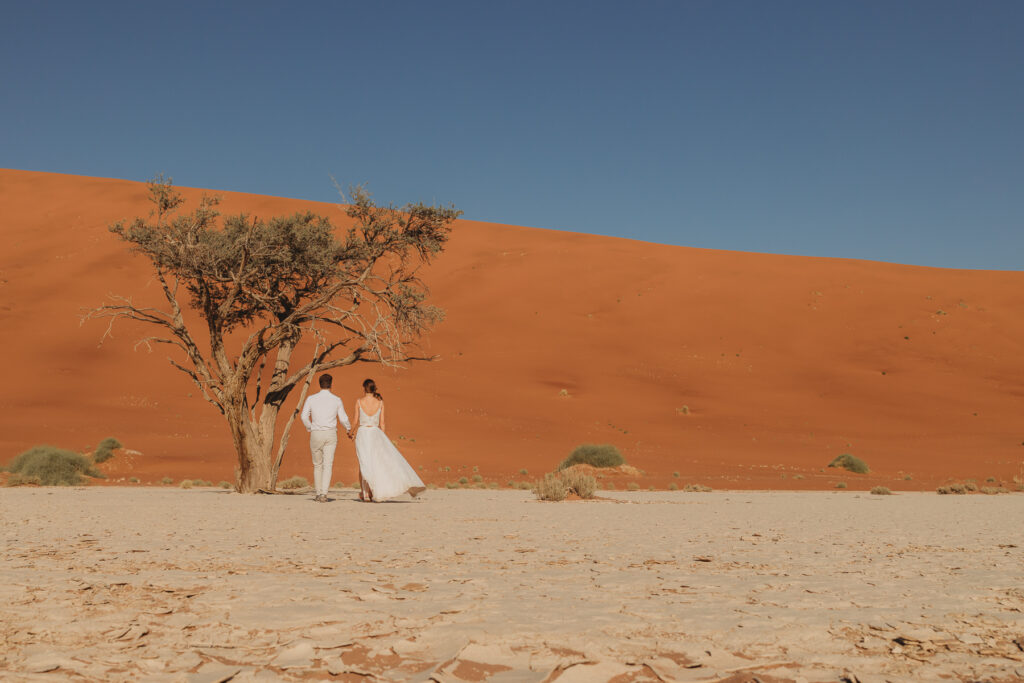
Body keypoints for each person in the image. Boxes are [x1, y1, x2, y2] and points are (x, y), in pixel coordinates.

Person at [351, 379, 426, 502]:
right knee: (375, 462)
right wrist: (382, 438)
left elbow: (355, 420)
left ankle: (365, 494)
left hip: (363, 433)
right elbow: (382, 423)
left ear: (364, 388)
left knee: (364, 462)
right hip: (376, 433)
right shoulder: (380, 402)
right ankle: (372, 491)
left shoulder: (359, 402)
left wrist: (350, 432)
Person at [300, 373, 351, 502]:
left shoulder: (311, 399)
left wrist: (310, 427)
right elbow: (343, 418)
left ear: (320, 384)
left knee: (317, 465)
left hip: (316, 433)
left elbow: (304, 416)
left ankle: (318, 493)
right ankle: (324, 494)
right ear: (331, 384)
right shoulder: (336, 400)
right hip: (330, 434)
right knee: (328, 465)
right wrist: (348, 428)